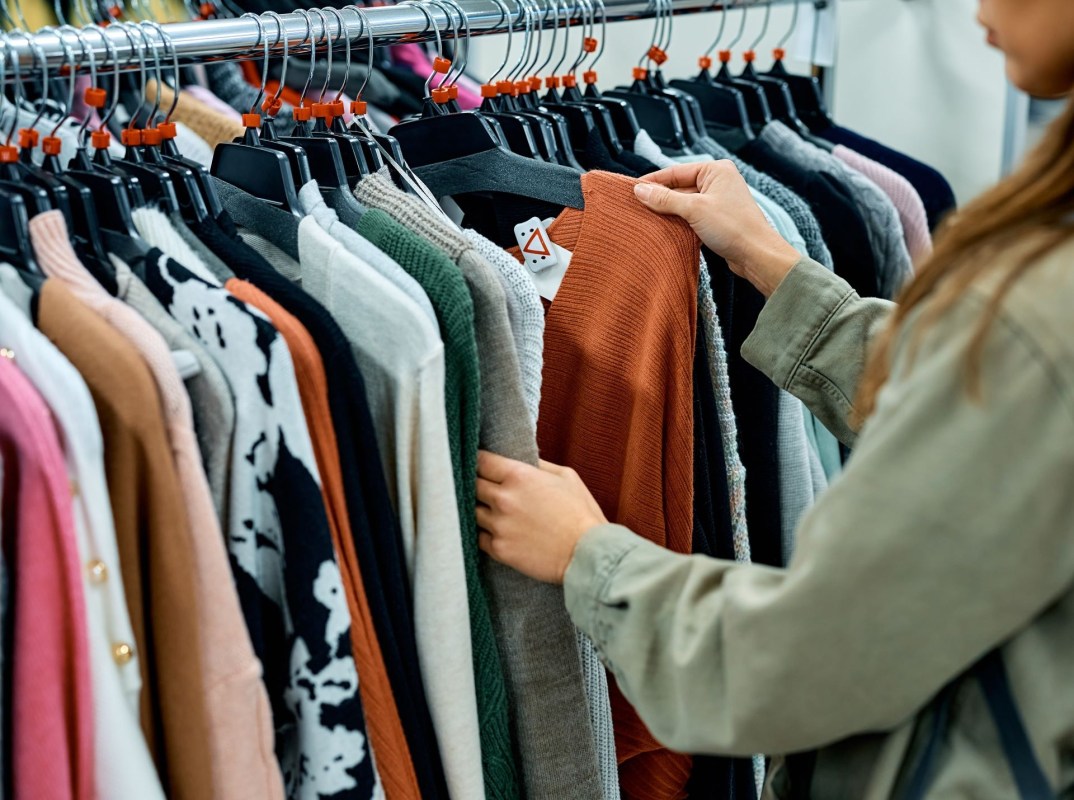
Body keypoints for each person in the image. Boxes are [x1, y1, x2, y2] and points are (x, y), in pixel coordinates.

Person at [474, 0, 1074, 796]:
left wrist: (589, 557)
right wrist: (769, 261)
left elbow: (810, 658)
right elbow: (992, 416)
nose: (981, 5)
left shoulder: (1043, 298)